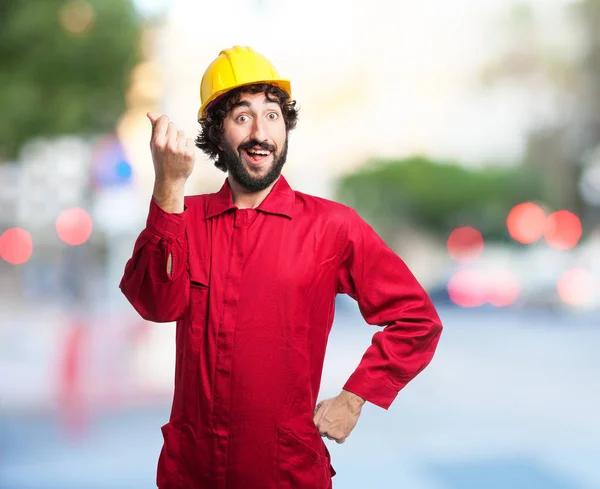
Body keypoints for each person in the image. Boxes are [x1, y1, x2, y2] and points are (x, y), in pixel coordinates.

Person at [120, 45, 443, 489]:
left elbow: (417, 319)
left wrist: (355, 397)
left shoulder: (332, 227)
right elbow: (155, 304)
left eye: (272, 115)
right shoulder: (182, 219)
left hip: (285, 474)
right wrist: (167, 187)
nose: (260, 132)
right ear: (217, 134)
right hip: (192, 473)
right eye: (241, 117)